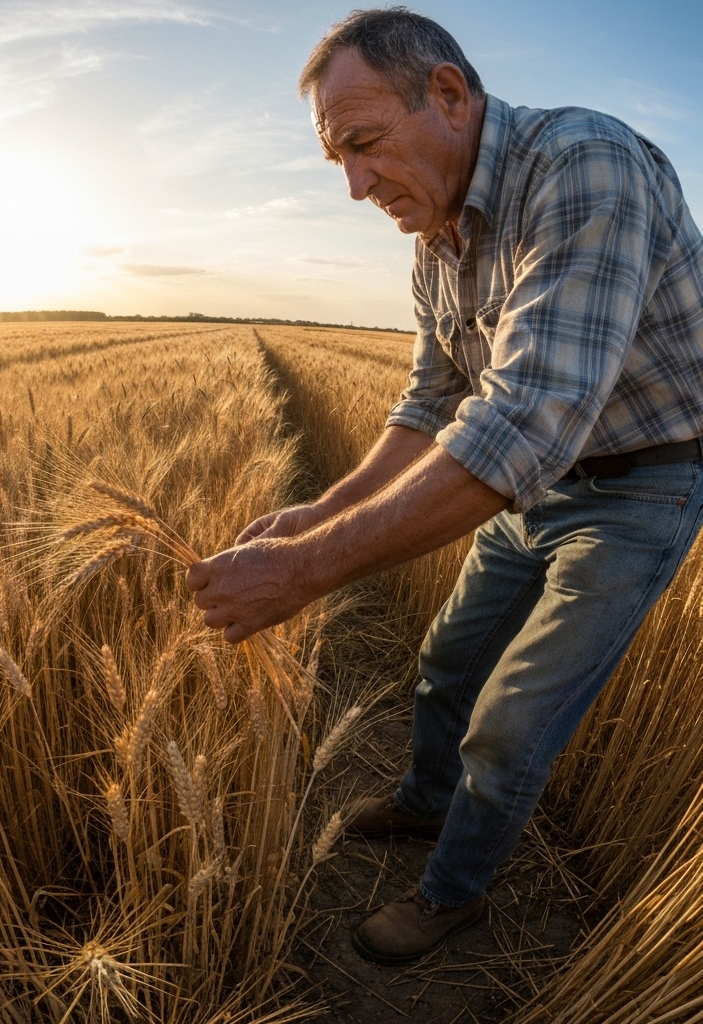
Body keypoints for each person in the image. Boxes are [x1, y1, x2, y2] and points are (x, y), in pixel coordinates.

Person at [185, 7, 703, 965]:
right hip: (526, 493)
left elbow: (525, 418)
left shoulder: (586, 165)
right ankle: (427, 804)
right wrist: (321, 511)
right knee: (446, 662)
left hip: (638, 492)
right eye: (338, 160)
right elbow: (433, 402)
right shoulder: (436, 238)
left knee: (511, 724)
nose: (354, 186)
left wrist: (306, 570)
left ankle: (452, 893)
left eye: (367, 145)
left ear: (451, 95)